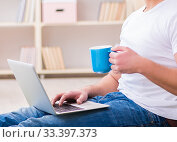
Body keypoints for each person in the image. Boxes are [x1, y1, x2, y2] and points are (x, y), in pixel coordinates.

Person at [1, 0, 177, 127]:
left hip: (154, 113)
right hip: (117, 99)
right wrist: (87, 91)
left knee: (31, 129)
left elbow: (139, 66)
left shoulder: (173, 12)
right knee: (13, 119)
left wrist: (141, 65)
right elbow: (117, 78)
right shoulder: (134, 18)